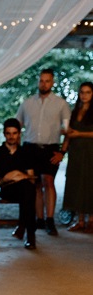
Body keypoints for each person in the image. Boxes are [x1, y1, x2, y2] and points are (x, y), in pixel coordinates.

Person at [16, 68, 71, 236]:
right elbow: (17, 126)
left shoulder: (61, 104)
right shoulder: (27, 103)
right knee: (35, 184)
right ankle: (38, 219)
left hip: (50, 149)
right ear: (38, 81)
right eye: (41, 80)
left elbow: (68, 131)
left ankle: (49, 220)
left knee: (48, 181)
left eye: (47, 81)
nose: (44, 83)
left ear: (52, 83)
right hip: (29, 148)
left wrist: (62, 152)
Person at [0, 118, 37, 249]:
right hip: (7, 190)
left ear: (19, 134)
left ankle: (28, 233)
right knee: (29, 192)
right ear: (4, 134)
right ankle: (26, 229)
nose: (11, 136)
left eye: (14, 133)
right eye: (8, 133)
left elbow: (32, 178)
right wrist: (6, 178)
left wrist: (21, 175)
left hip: (24, 188)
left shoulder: (26, 153)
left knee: (28, 188)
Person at [61, 81, 93, 232]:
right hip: (76, 152)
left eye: (88, 92)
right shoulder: (75, 111)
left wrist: (80, 134)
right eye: (82, 92)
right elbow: (69, 133)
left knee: (90, 183)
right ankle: (80, 221)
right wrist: (63, 150)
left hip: (90, 151)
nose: (84, 95)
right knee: (77, 183)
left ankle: (91, 220)